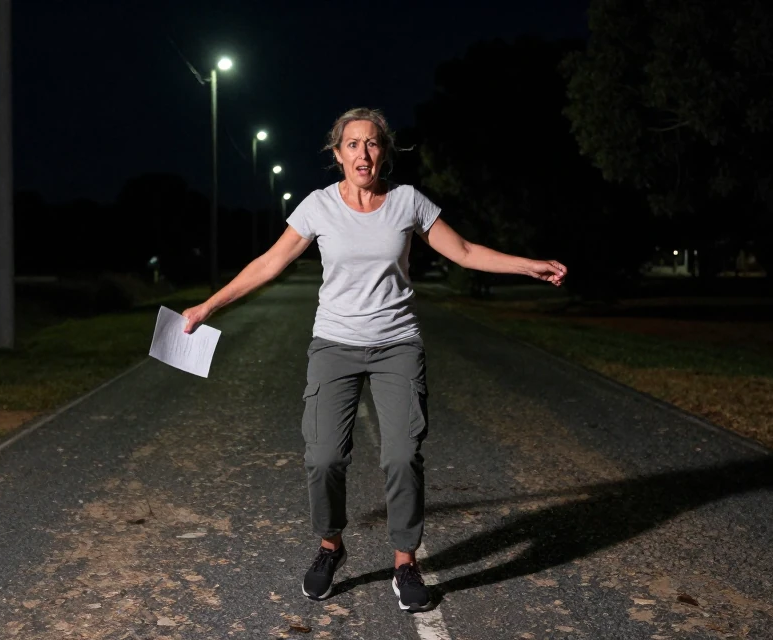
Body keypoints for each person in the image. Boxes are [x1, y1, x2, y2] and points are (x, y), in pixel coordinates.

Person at [182, 108, 567, 612]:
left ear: (384, 151)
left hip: (397, 346)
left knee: (402, 455)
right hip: (334, 345)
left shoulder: (407, 202)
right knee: (322, 457)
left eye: (372, 144)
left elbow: (466, 251)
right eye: (352, 144)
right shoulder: (317, 207)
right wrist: (208, 306)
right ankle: (330, 546)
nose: (363, 154)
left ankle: (405, 560)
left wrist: (528, 265)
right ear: (336, 153)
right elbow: (269, 264)